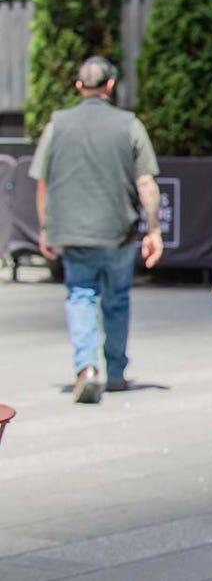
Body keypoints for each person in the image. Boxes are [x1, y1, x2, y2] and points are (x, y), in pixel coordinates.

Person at [29, 56, 163, 404]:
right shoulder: (129, 124)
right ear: (110, 85)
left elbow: (42, 182)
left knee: (80, 296)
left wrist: (45, 227)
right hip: (118, 230)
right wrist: (153, 231)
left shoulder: (57, 124)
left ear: (78, 86)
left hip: (73, 232)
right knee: (116, 300)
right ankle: (116, 372)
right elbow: (146, 182)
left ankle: (87, 368)